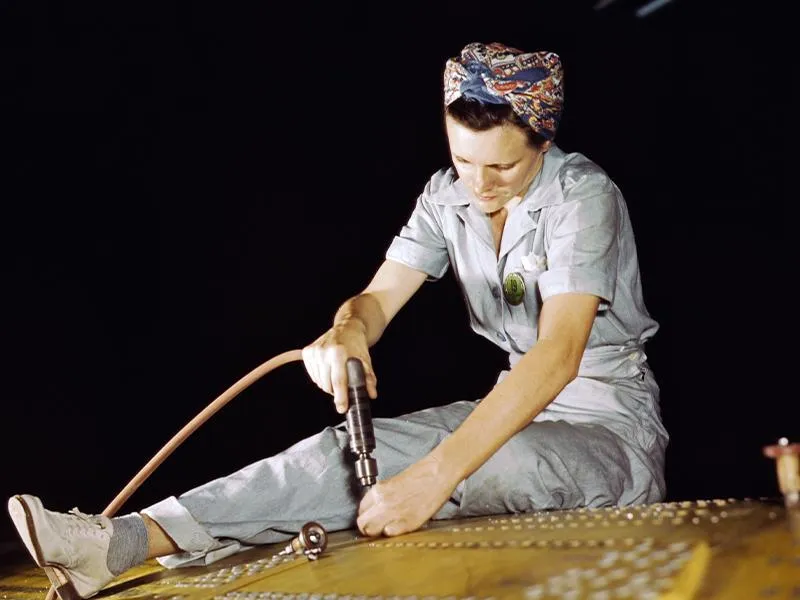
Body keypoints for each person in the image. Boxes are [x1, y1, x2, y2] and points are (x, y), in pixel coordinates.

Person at [7, 41, 668, 600]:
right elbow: (376, 299)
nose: (480, 183)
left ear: (543, 142)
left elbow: (557, 356)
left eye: (503, 166)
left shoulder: (583, 195)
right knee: (345, 455)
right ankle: (117, 543)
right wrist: (348, 330)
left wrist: (433, 479)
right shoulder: (446, 196)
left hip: (606, 426)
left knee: (487, 465)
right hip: (506, 404)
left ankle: (438, 475)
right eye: (465, 160)